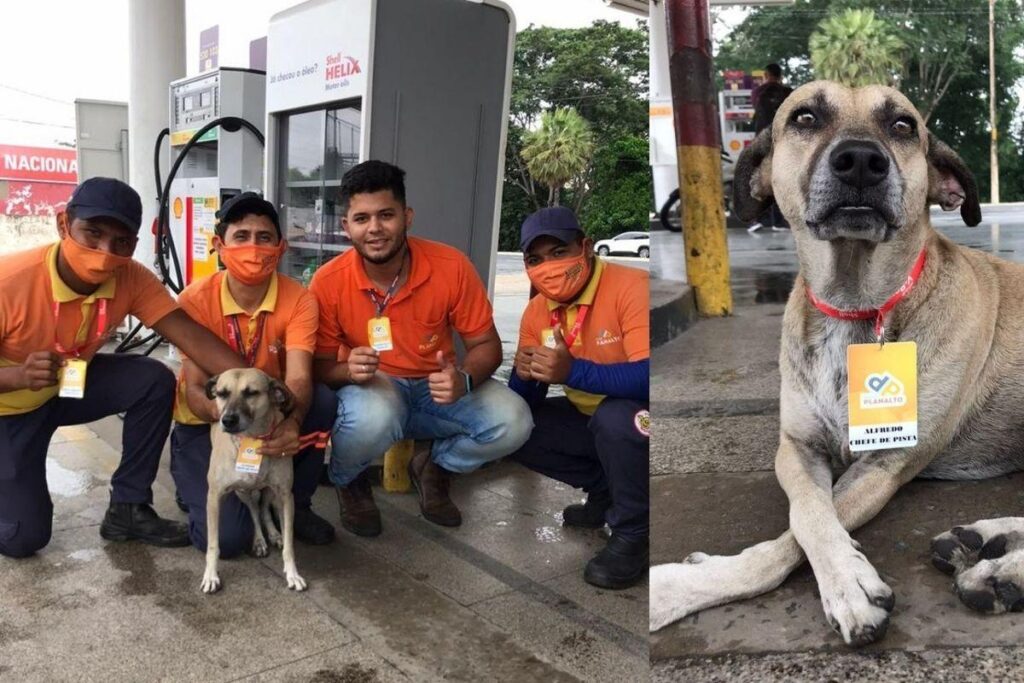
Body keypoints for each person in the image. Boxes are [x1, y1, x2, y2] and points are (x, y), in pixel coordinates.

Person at [0, 177, 244, 558]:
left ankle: (128, 508)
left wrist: (267, 389)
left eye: (122, 242)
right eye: (92, 234)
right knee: (22, 538)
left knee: (152, 380)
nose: (104, 252)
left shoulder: (130, 278)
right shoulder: (8, 282)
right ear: (64, 224)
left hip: (64, 388)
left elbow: (190, 337)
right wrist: (16, 376)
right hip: (9, 410)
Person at [310, 160, 532, 537]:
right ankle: (349, 479)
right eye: (362, 218)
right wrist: (349, 371)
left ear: (407, 217)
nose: (375, 228)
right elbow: (319, 368)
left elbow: (486, 345)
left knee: (514, 422)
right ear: (347, 227)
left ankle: (436, 467)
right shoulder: (328, 282)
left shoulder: (450, 266)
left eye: (386, 215)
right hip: (375, 390)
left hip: (437, 390)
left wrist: (463, 379)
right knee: (372, 418)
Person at [169, 193, 338, 557]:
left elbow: (297, 380)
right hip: (207, 425)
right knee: (229, 540)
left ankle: (296, 501)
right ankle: (188, 469)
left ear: (280, 247)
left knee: (322, 401)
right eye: (241, 236)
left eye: (264, 237)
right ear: (219, 245)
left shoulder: (300, 299)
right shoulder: (194, 300)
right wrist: (226, 418)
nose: (253, 247)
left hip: (266, 416)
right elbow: (197, 389)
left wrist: (291, 422)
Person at [508, 207, 650, 589]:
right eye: (535, 259)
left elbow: (653, 377)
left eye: (558, 252)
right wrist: (523, 375)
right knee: (509, 426)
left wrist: (572, 372)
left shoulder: (631, 287)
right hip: (587, 417)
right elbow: (525, 398)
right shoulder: (537, 311)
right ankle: (606, 491)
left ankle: (633, 533)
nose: (548, 267)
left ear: (585, 247)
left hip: (641, 420)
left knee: (617, 419)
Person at [748, 63, 793, 233]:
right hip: (783, 141)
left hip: (761, 140)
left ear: (766, 74)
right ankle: (778, 221)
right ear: (780, 75)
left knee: (761, 178)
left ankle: (756, 219)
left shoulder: (758, 93)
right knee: (781, 179)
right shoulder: (787, 92)